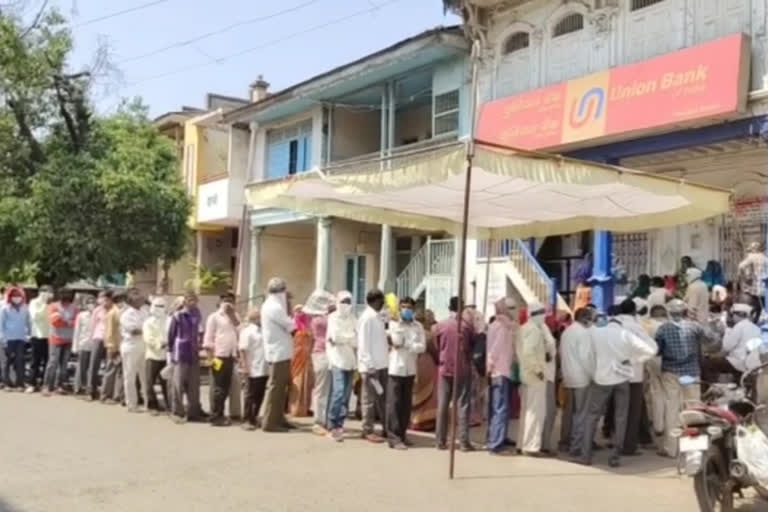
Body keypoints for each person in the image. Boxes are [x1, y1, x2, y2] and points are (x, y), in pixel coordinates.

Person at [578, 310, 657, 468]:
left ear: (609, 322)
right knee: (621, 417)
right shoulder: (626, 335)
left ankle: (585, 455)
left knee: (592, 416)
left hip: (601, 379)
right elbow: (651, 350)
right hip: (622, 379)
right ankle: (615, 455)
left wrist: (592, 372)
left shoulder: (597, 333)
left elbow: (585, 356)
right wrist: (633, 360)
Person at [655, 299, 715, 457]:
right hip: (690, 373)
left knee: (672, 408)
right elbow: (711, 340)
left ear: (669, 312)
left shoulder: (663, 329)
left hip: (671, 372)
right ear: (685, 311)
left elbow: (657, 351)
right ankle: (693, 448)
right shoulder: (694, 326)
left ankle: (671, 448)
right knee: (693, 408)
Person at [615, 299, 658, 456]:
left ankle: (617, 443)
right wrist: (634, 361)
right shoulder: (635, 327)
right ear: (634, 311)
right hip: (633, 375)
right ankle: (628, 446)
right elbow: (652, 348)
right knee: (633, 412)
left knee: (618, 411)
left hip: (615, 373)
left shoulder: (612, 324)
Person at [434, 296, 475, 451]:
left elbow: (436, 345)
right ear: (462, 308)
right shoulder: (466, 326)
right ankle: (463, 441)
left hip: (445, 369)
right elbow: (472, 345)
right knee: (463, 405)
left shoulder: (440, 325)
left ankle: (440, 440)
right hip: (462, 369)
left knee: (443, 405)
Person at [385, 296, 425, 450]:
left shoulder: (418, 326)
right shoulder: (395, 323)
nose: (406, 309)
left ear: (413, 309)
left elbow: (422, 347)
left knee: (406, 404)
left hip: (411, 369)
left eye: (409, 307)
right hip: (396, 368)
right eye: (403, 307)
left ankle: (402, 434)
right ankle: (394, 438)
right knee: (394, 404)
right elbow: (396, 341)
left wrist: (407, 345)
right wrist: (409, 345)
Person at [517, 303, 555, 457]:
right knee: (536, 412)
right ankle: (531, 447)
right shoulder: (534, 330)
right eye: (543, 314)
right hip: (535, 376)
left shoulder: (524, 328)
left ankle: (522, 443)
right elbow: (529, 352)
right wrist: (539, 371)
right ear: (537, 314)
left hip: (526, 375)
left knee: (526, 411)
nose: (544, 317)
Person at [260, 278, 296, 433]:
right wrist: (290, 307)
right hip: (278, 353)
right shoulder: (274, 307)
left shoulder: (273, 305)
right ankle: (270, 422)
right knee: (276, 388)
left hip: (281, 351)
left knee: (282, 388)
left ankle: (279, 418)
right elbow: (291, 325)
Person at [559, 307, 595, 457]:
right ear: (586, 319)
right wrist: (593, 374)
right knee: (581, 414)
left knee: (569, 412)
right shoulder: (584, 333)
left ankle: (565, 442)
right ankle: (577, 446)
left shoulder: (567, 332)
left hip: (568, 376)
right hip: (582, 378)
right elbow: (587, 358)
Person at [486, 297, 518, 455]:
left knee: (502, 408)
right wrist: (490, 368)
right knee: (500, 408)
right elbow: (494, 351)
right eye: (511, 308)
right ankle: (495, 444)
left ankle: (501, 437)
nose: (514, 311)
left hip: (503, 371)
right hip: (500, 372)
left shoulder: (502, 326)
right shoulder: (502, 327)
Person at [357, 289, 389, 443]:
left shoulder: (378, 317)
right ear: (376, 301)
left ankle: (387, 428)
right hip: (371, 367)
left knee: (383, 399)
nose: (383, 303)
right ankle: (367, 430)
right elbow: (363, 345)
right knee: (369, 400)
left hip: (382, 364)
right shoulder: (367, 318)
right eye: (382, 300)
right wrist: (370, 367)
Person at [203, 292, 240, 426]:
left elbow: (238, 328)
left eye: (231, 300)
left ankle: (220, 413)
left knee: (225, 386)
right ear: (220, 302)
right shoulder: (214, 317)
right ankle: (215, 416)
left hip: (230, 356)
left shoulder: (235, 316)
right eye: (225, 300)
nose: (228, 303)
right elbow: (208, 338)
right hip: (218, 356)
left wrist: (231, 314)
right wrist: (210, 358)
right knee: (218, 386)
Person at [167, 290, 204, 423]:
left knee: (194, 383)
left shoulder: (197, 313)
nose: (193, 302)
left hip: (193, 352)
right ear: (185, 301)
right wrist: (171, 351)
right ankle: (177, 411)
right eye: (190, 300)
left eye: (195, 300)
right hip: (181, 351)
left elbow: (200, 330)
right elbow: (171, 334)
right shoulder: (178, 315)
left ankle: (193, 412)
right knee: (178, 383)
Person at [326, 291, 358, 442]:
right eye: (343, 301)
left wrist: (344, 338)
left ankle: (340, 424)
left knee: (345, 395)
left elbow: (357, 340)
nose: (345, 304)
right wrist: (348, 337)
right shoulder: (332, 318)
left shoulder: (353, 318)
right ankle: (332, 424)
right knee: (338, 392)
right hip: (337, 359)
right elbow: (334, 337)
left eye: (348, 301)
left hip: (350, 360)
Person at [703, 303, 760, 384]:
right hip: (754, 365)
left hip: (740, 363)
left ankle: (715, 388)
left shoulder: (739, 326)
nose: (732, 317)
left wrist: (726, 331)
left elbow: (726, 347)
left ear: (737, 315)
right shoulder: (756, 328)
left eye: (733, 315)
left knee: (707, 363)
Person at [643, 305, 669, 444]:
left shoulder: (647, 326)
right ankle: (668, 423)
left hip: (653, 361)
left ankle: (658, 425)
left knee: (656, 393)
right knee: (669, 395)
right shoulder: (671, 325)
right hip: (669, 362)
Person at [44, 288, 78, 396]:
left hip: (68, 339)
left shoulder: (74, 307)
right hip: (56, 338)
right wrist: (68, 322)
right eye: (65, 294)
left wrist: (66, 321)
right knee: (53, 362)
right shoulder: (54, 306)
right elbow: (55, 322)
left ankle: (60, 385)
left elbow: (76, 321)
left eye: (69, 295)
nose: (67, 297)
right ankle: (47, 386)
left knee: (64, 364)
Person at [120, 289, 149, 413]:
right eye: (137, 298)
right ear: (131, 301)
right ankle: (132, 404)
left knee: (145, 376)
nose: (140, 300)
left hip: (144, 346)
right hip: (131, 346)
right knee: (130, 376)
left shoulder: (145, 311)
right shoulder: (126, 315)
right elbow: (133, 331)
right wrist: (148, 330)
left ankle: (149, 403)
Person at [239, 308, 267, 430]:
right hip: (252, 367)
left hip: (263, 366)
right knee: (250, 395)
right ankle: (247, 419)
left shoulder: (263, 330)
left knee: (260, 394)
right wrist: (245, 366)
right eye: (258, 316)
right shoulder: (247, 331)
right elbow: (243, 350)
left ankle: (254, 417)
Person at [411, 309, 439, 431]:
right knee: (428, 395)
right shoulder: (428, 335)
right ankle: (424, 422)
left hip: (412, 363)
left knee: (415, 393)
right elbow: (435, 351)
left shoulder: (412, 333)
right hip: (426, 364)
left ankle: (413, 420)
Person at [143, 296, 170, 414]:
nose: (159, 308)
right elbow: (148, 338)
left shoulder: (169, 320)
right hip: (152, 355)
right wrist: (160, 344)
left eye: (162, 306)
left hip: (166, 356)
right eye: (157, 306)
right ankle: (152, 405)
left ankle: (169, 404)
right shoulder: (148, 322)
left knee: (166, 382)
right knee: (150, 381)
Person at [1, 286, 30, 391]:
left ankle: (20, 384)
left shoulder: (25, 308)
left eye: (18, 296)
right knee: (6, 362)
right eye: (14, 296)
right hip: (8, 339)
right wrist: (2, 339)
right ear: (10, 297)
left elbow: (28, 323)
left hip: (21, 338)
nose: (16, 298)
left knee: (20, 361)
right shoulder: (5, 309)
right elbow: (1, 324)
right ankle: (6, 384)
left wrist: (28, 335)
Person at [86, 290, 113, 401]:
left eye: (105, 298)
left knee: (108, 366)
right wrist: (92, 339)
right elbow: (92, 325)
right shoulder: (97, 310)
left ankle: (105, 393)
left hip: (110, 340)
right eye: (101, 298)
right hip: (98, 338)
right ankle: (91, 391)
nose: (102, 301)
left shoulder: (114, 310)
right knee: (93, 365)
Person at [310, 303, 333, 435]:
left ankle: (326, 420)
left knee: (329, 389)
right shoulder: (320, 319)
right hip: (321, 353)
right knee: (322, 388)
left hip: (329, 354)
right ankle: (318, 421)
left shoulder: (325, 317)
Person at [289, 305, 314, 417]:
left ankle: (306, 408)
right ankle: (294, 409)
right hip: (296, 358)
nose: (300, 313)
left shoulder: (308, 326)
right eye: (297, 310)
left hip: (307, 358)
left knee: (307, 384)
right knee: (297, 383)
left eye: (302, 310)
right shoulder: (292, 326)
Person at [101, 292, 126, 404]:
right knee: (110, 370)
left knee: (121, 371)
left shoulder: (121, 312)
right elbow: (109, 332)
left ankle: (117, 395)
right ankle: (105, 395)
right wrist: (111, 347)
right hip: (114, 346)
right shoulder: (113, 313)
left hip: (122, 346)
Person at [27, 286, 53, 393]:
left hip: (49, 336)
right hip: (37, 335)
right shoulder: (34, 302)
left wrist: (48, 304)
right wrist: (44, 304)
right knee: (35, 361)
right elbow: (35, 316)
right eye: (45, 292)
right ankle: (32, 384)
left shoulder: (52, 304)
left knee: (47, 361)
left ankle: (44, 383)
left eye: (49, 292)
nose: (47, 294)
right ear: (40, 292)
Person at [72, 295, 96, 396]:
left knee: (92, 368)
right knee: (81, 367)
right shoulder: (81, 315)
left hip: (94, 345)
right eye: (88, 302)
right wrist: (75, 346)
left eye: (93, 302)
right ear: (85, 305)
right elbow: (77, 331)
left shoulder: (98, 315)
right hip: (83, 344)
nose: (91, 304)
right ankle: (78, 388)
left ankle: (89, 389)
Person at [738, 241, 768, 318]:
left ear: (753, 249)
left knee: (753, 308)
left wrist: (745, 278)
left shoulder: (752, 257)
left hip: (754, 289)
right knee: (763, 308)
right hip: (764, 289)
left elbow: (741, 266)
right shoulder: (765, 258)